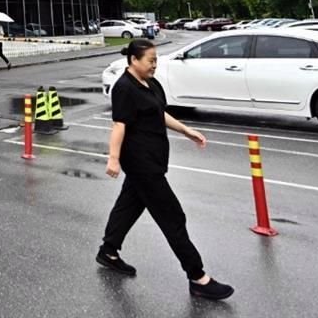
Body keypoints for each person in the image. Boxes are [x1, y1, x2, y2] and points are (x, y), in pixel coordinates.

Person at [96, 38, 234, 301]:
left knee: (130, 205)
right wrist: (113, 159)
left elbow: (158, 113)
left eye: (156, 60)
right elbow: (119, 125)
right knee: (173, 217)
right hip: (141, 163)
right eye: (150, 60)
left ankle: (108, 251)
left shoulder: (151, 83)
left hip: (154, 158)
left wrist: (186, 130)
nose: (154, 65)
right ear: (134, 60)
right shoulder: (124, 88)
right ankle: (198, 277)